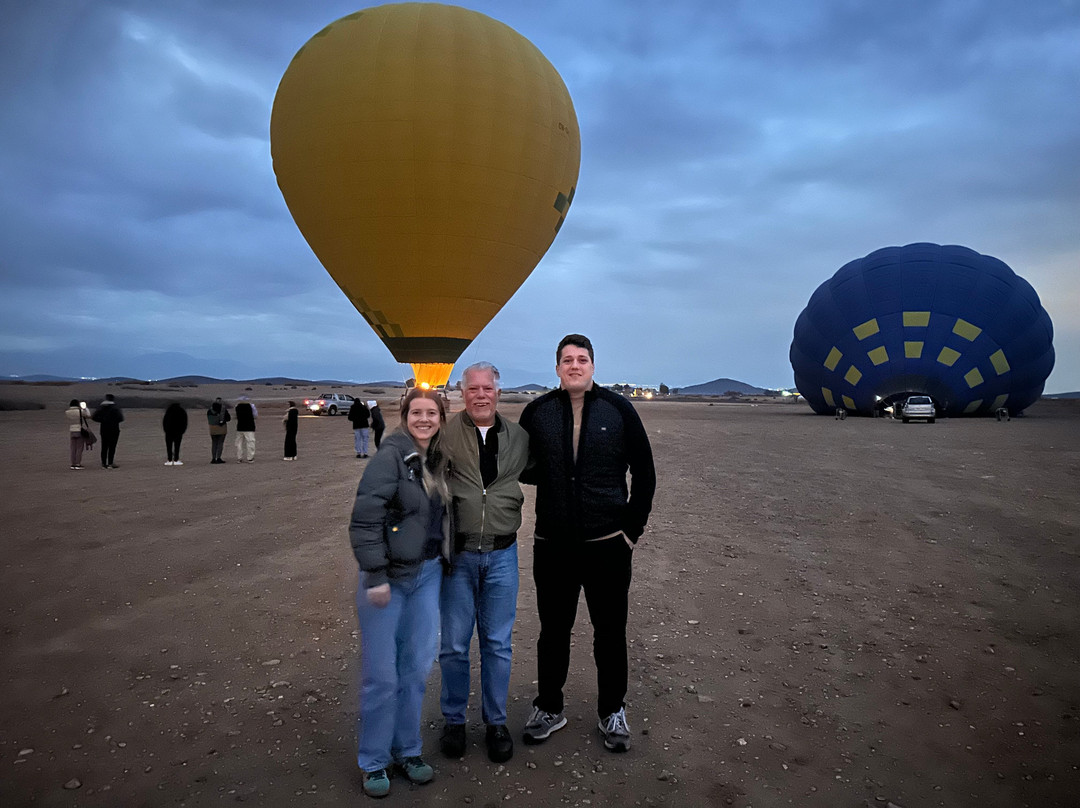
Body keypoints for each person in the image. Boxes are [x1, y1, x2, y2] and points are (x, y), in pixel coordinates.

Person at [518, 334, 656, 753]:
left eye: (582, 360)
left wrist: (630, 532)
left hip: (608, 545)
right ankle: (549, 706)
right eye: (566, 360)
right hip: (554, 544)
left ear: (593, 366)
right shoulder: (537, 412)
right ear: (556, 368)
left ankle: (611, 710)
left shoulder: (619, 410)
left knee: (610, 633)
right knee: (553, 631)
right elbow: (518, 464)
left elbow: (645, 474)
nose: (574, 366)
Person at [348, 388, 451, 798]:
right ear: (404, 415)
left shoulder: (441, 461)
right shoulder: (389, 457)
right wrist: (375, 575)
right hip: (388, 580)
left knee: (416, 670)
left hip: (427, 575)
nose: (424, 419)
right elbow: (364, 518)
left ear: (441, 417)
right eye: (417, 412)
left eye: (431, 413)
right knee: (382, 676)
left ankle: (408, 750)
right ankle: (373, 761)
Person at [437, 362, 529, 763]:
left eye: (486, 388)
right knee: (455, 645)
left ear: (497, 391)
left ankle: (495, 722)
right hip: (457, 556)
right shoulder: (443, 434)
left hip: (503, 554)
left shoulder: (519, 437)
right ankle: (454, 721)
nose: (480, 395)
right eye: (472, 388)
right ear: (461, 393)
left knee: (497, 644)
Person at [91, 393, 124, 469]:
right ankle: (110, 463)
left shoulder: (101, 407)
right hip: (114, 429)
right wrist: (113, 421)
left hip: (104, 429)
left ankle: (103, 463)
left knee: (104, 446)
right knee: (112, 446)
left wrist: (102, 420)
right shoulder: (115, 407)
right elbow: (121, 418)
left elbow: (94, 417)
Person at [65, 399, 92, 469]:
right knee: (79, 448)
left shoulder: (67, 412)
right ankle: (78, 463)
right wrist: (85, 408)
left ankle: (73, 463)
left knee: (73, 448)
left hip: (72, 430)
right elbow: (88, 415)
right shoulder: (80, 411)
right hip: (79, 430)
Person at [207, 399, 230, 464]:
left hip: (212, 429)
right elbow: (228, 419)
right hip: (222, 428)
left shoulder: (209, 411)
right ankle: (218, 458)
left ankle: (213, 458)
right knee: (220, 443)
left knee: (214, 443)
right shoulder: (223, 410)